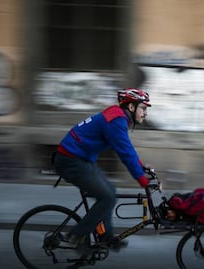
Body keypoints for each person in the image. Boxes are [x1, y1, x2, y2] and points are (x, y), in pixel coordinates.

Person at [53, 88, 152, 251]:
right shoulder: (116, 120)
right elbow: (125, 153)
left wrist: (141, 166)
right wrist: (141, 179)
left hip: (81, 160)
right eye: (143, 108)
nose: (145, 113)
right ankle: (77, 235)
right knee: (107, 197)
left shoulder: (118, 117)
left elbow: (127, 148)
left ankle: (106, 238)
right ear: (132, 107)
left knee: (110, 192)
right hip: (70, 160)